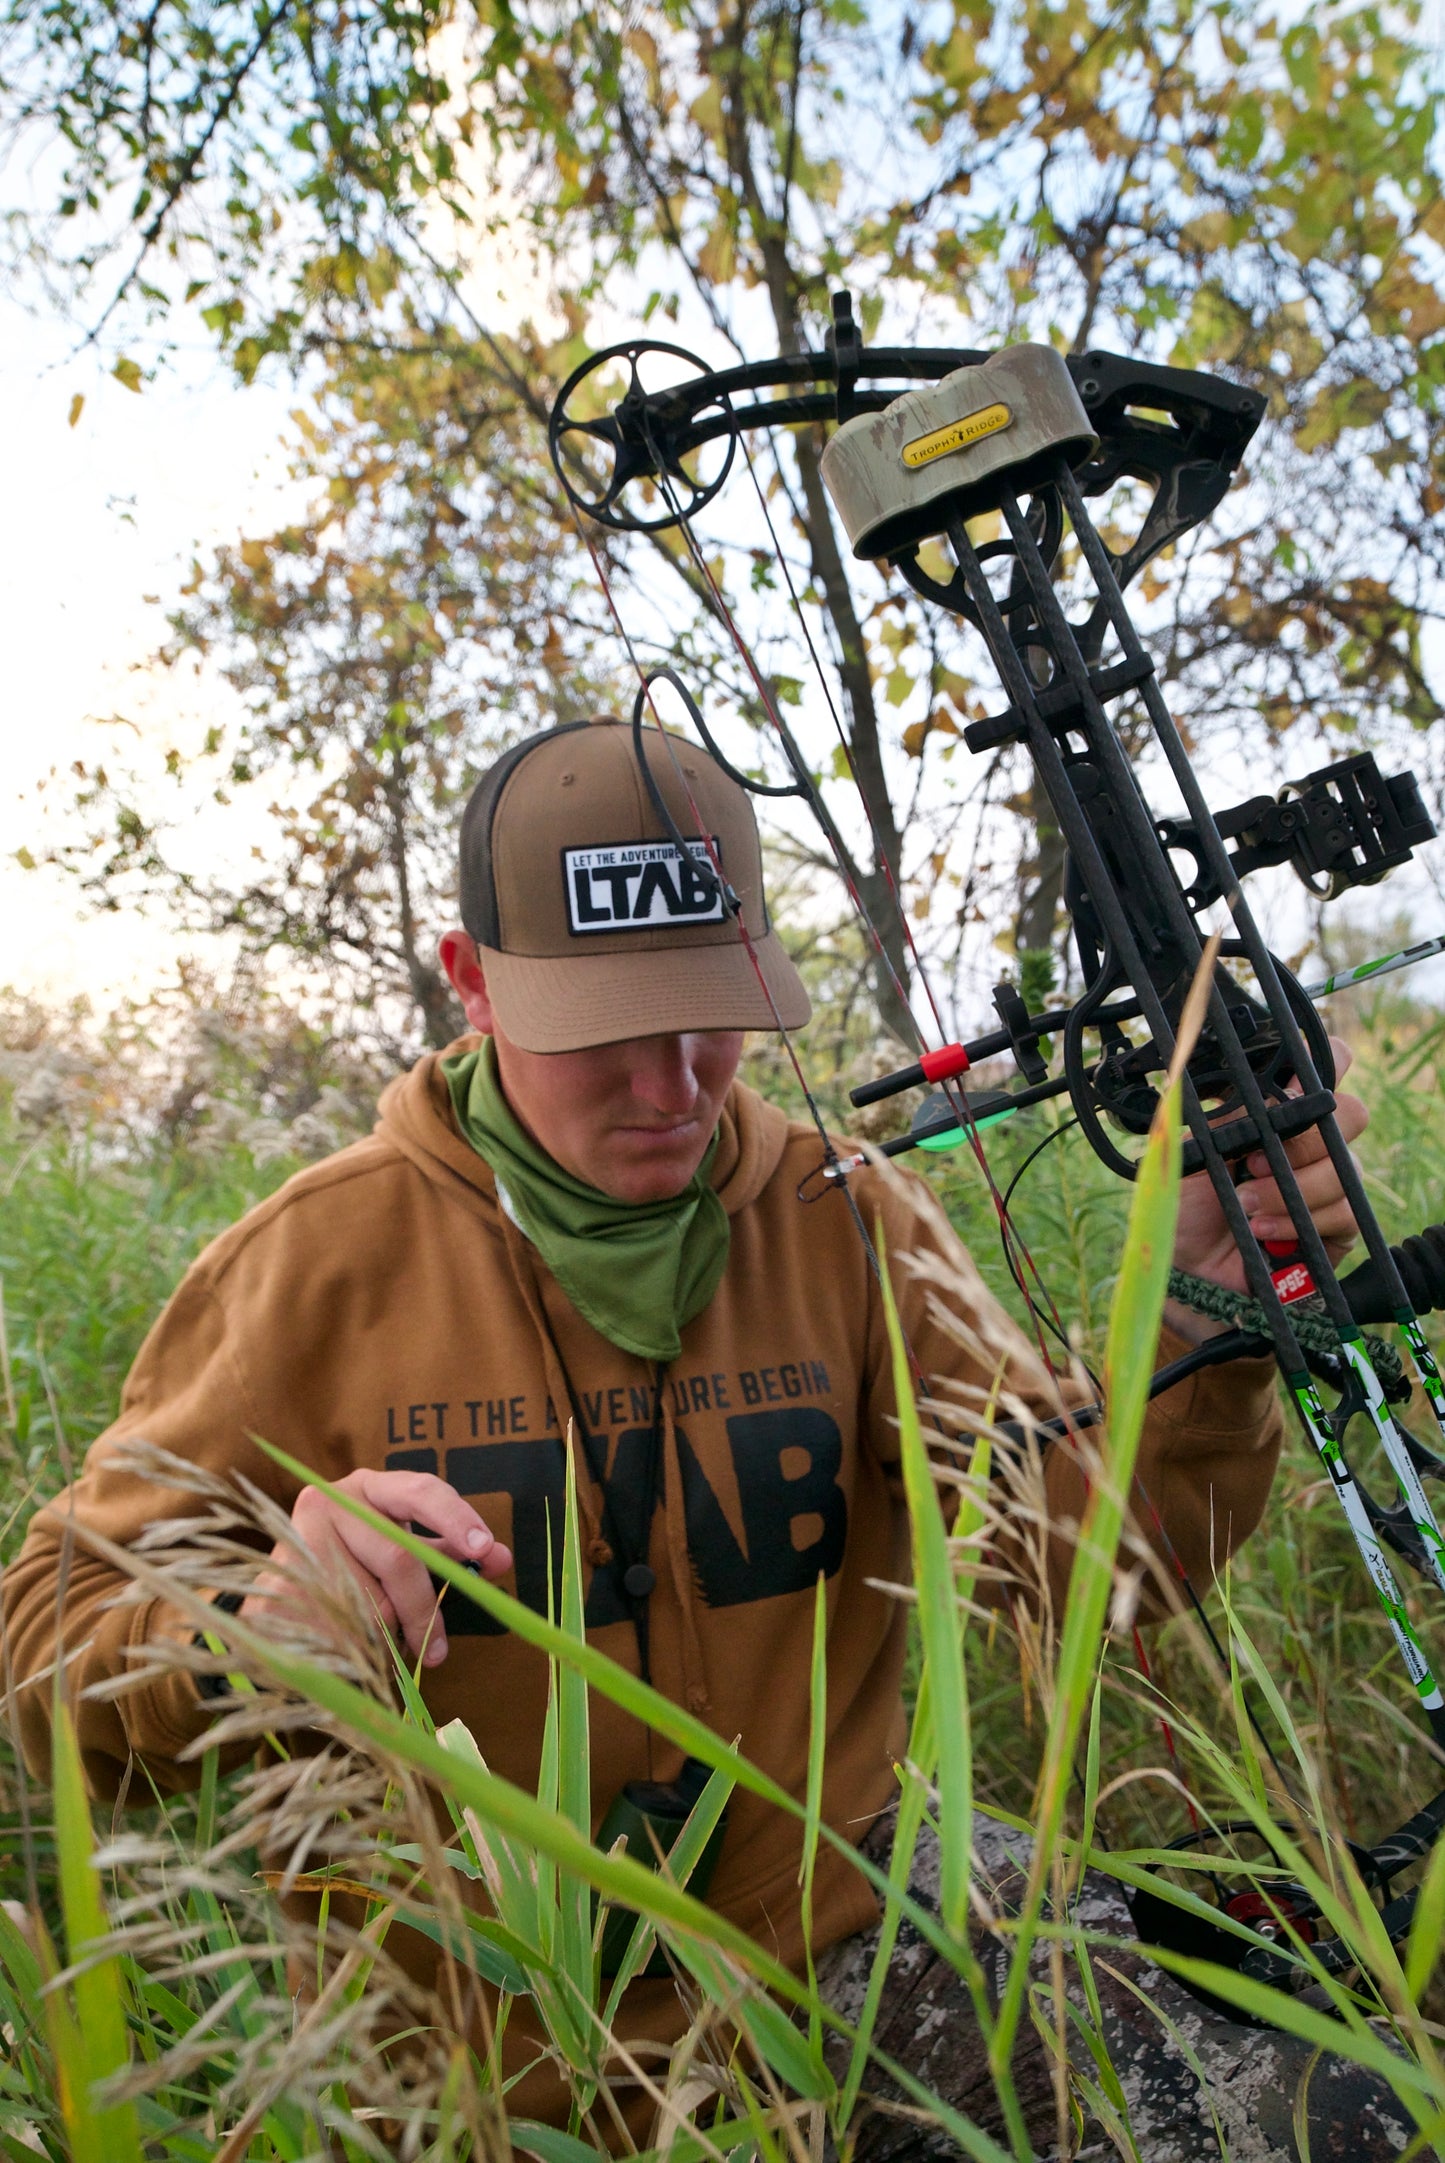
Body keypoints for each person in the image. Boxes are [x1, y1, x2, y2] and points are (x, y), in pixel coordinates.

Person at [2, 716, 1383, 2155]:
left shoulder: (837, 1214)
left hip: (838, 1962)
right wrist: (244, 1627)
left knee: (1325, 2119)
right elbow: (45, 1633)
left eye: (710, 1011)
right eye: (603, 1033)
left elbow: (1088, 1574)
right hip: (477, 2054)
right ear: (469, 982)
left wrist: (1200, 1327)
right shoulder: (314, 1267)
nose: (673, 1084)